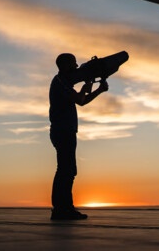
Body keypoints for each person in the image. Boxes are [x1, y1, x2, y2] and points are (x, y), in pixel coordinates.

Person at [49, 53, 108, 220]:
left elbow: (81, 100)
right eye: (73, 64)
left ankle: (64, 209)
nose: (76, 67)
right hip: (63, 131)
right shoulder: (60, 82)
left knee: (68, 170)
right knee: (65, 170)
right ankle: (62, 209)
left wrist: (97, 90)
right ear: (65, 65)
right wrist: (87, 86)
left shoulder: (64, 82)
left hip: (66, 131)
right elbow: (80, 100)